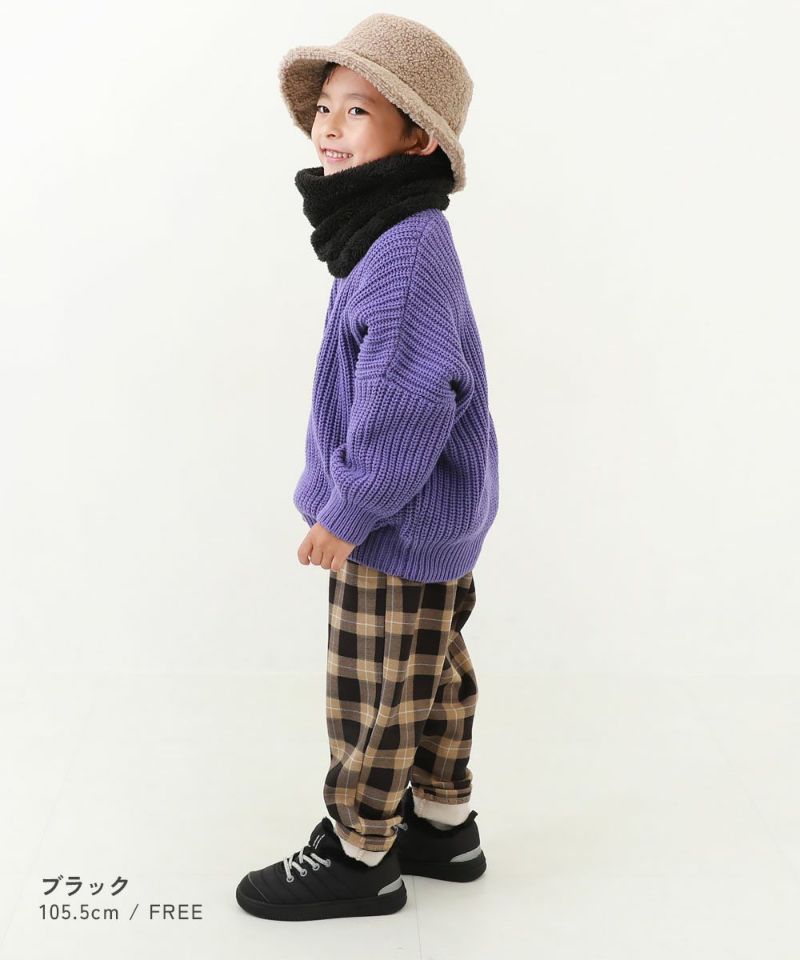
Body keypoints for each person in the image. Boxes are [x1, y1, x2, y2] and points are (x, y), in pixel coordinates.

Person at [236, 13, 499, 922]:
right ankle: (443, 826)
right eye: (325, 108)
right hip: (427, 514)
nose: (329, 128)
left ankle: (361, 854)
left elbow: (409, 402)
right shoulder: (386, 231)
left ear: (417, 139)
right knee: (429, 674)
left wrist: (349, 509)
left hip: (395, 520)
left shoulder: (403, 250)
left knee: (376, 689)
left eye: (358, 111)